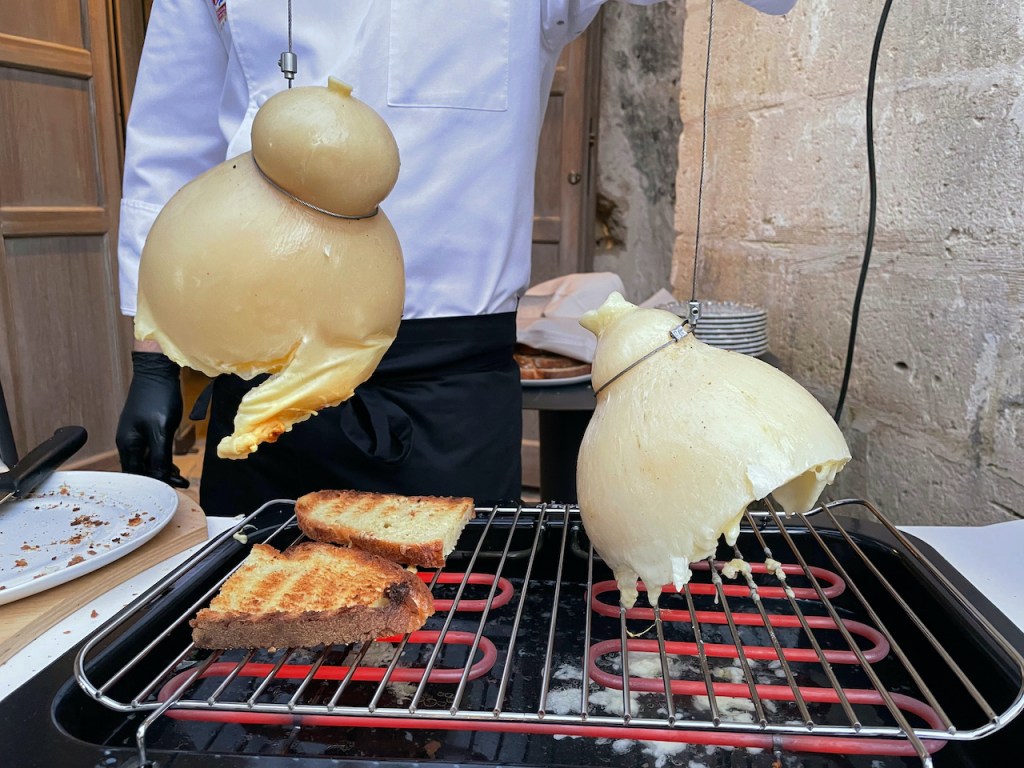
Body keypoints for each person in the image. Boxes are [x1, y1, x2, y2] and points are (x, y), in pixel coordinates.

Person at [115, 0, 797, 516]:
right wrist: (154, 355)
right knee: (254, 646)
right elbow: (170, 145)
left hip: (449, 395)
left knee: (463, 652)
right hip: (262, 385)